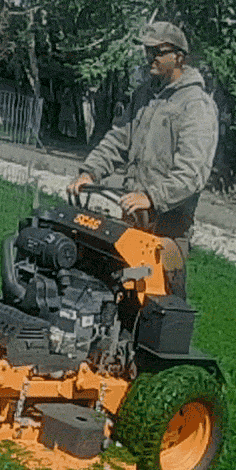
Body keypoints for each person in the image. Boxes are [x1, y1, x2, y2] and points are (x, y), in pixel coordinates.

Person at [66, 21, 218, 298]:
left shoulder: (196, 105)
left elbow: (193, 172)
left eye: (158, 52)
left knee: (163, 307)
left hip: (170, 234)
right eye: (148, 51)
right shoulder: (144, 96)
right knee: (116, 292)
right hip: (132, 223)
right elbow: (118, 140)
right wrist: (90, 173)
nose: (151, 58)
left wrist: (152, 196)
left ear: (179, 57)